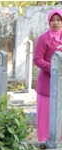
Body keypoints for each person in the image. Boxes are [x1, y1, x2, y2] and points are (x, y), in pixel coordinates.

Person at [33, 9, 62, 142]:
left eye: (58, 19)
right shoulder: (44, 38)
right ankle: (44, 141)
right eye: (52, 20)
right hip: (47, 84)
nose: (55, 23)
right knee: (45, 115)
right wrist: (53, 69)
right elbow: (37, 59)